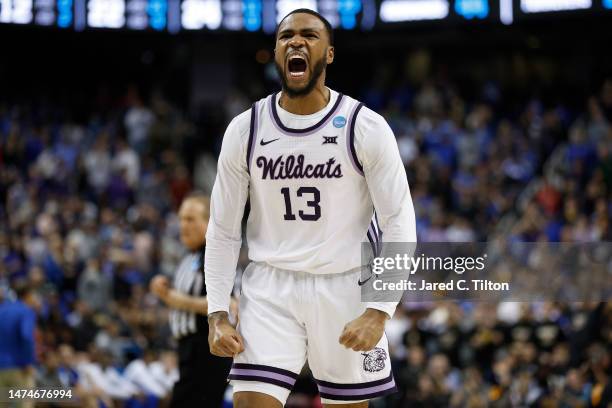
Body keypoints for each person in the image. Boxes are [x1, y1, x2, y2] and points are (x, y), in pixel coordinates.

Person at [205, 9, 417, 408]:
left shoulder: (364, 126)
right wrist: (216, 313)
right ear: (276, 51)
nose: (296, 42)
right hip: (270, 285)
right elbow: (222, 229)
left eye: (309, 35)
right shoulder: (245, 129)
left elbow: (398, 221)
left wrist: (380, 309)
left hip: (346, 284)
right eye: (286, 36)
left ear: (330, 54)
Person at [150, 192, 233, 407]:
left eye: (190, 219)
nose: (183, 225)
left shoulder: (214, 255)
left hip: (207, 349)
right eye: (181, 219)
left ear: (209, 222)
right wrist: (166, 286)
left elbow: (228, 303)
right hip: (189, 350)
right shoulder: (190, 257)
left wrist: (172, 298)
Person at [0, 283, 38, 408]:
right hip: (16, 367)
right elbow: (26, 335)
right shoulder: (25, 311)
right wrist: (28, 361)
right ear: (28, 296)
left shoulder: (2, 309)